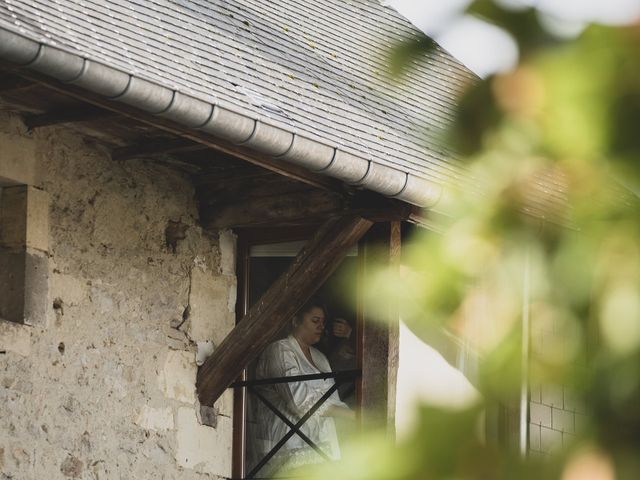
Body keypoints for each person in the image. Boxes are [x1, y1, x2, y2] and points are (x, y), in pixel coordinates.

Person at [251, 300, 353, 476]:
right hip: (288, 453)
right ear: (295, 320)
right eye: (315, 321)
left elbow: (333, 399)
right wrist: (351, 414)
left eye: (323, 322)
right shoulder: (279, 351)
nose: (321, 326)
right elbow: (300, 401)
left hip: (322, 453)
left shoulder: (320, 358)